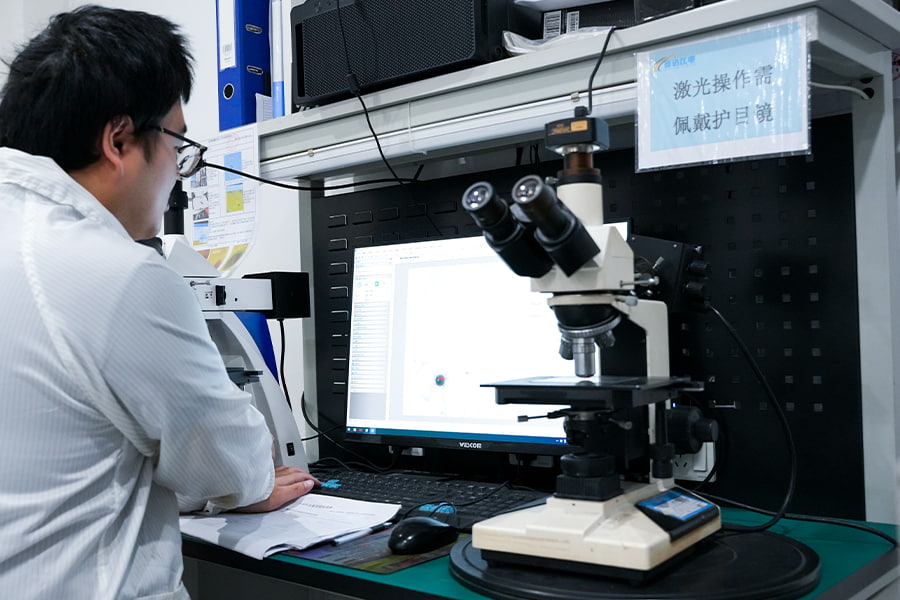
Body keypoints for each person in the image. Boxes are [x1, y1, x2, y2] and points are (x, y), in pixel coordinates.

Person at [0, 6, 318, 599]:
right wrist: (244, 481)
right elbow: (229, 464)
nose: (178, 171)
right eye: (178, 144)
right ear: (119, 140)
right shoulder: (116, 271)